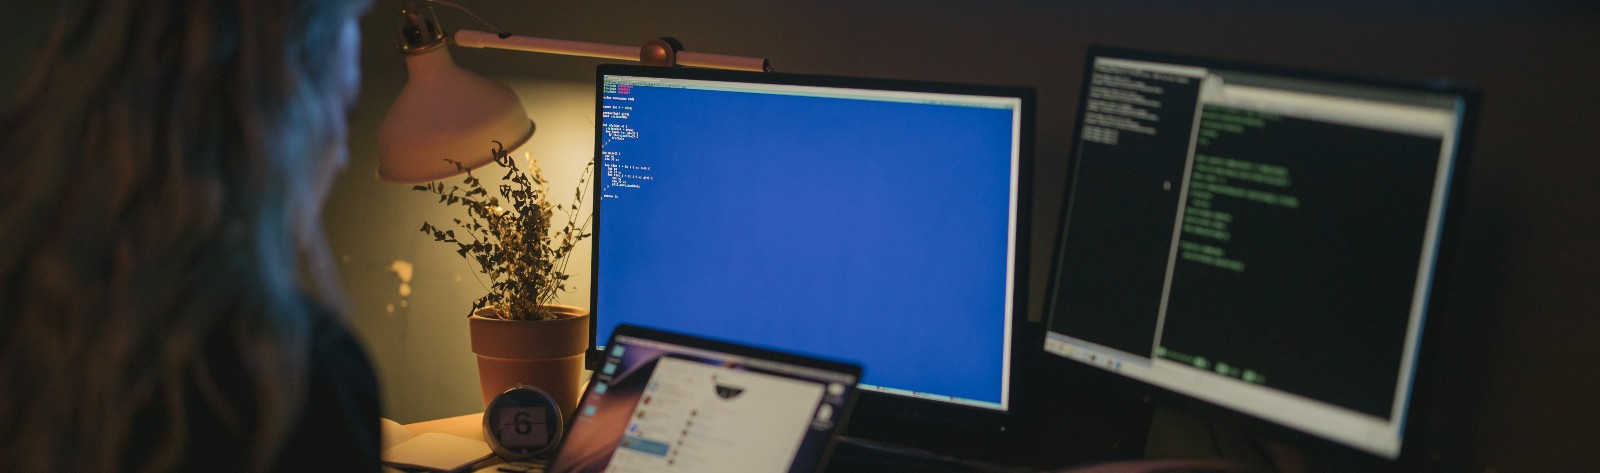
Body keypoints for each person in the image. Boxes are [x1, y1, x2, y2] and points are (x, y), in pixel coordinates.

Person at [0, 0, 379, 471]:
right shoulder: (290, 380)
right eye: (344, 108)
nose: (341, 154)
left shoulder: (28, 316)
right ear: (283, 119)